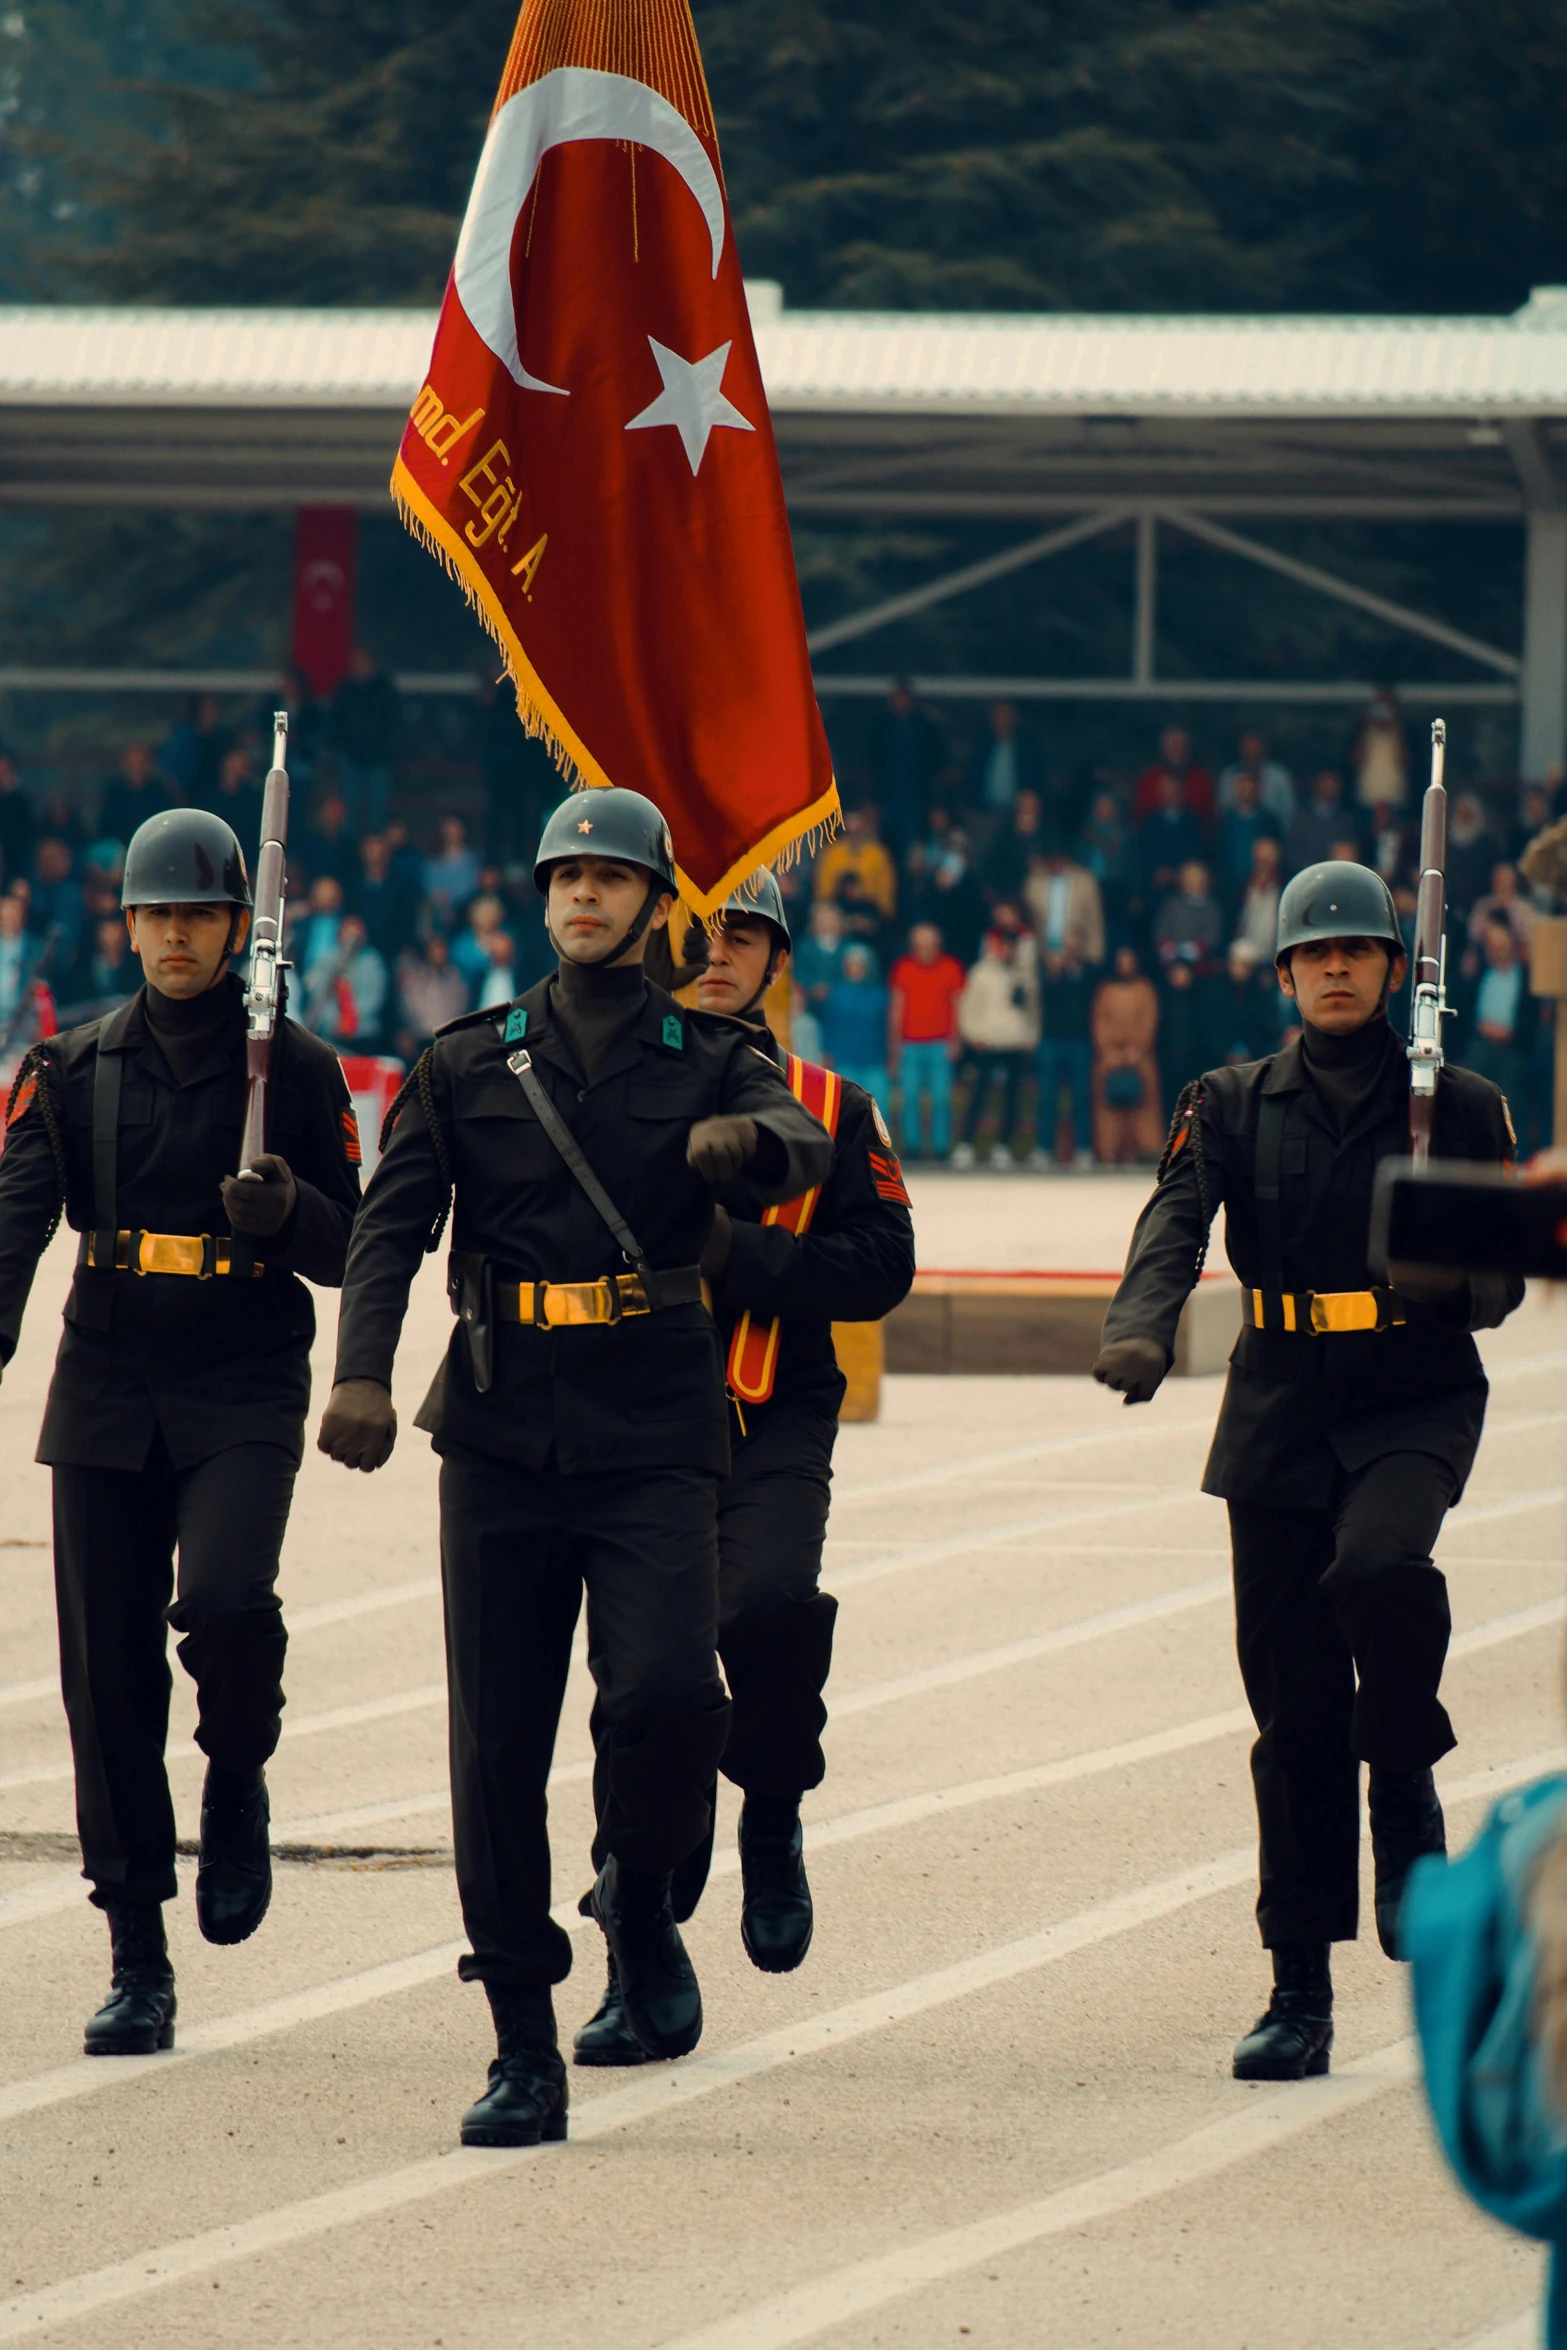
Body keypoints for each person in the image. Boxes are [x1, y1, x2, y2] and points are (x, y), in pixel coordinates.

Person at [315, 788, 832, 2148]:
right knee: (494, 1746)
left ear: (660, 902)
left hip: (655, 1419)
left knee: (665, 1693)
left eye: (613, 878)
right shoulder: (468, 1060)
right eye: (566, 877)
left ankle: (645, 1890)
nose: (586, 896)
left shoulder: (707, 1052)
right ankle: (520, 2040)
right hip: (496, 1428)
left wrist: (750, 1149)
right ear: (540, 898)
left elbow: (804, 1139)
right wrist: (361, 1368)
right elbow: (389, 1229)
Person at [1092, 861, 1524, 2082]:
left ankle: (1404, 1772)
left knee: (1382, 1567)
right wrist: (1142, 1324)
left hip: (1411, 1396)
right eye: (1312, 952)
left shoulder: (1461, 1102)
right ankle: (1298, 1989)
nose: (1334, 966)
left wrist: (1455, 1280)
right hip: (1277, 1406)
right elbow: (1173, 1219)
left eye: (1357, 950)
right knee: (1288, 1719)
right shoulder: (1231, 1101)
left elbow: (1499, 1283)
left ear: (1395, 968)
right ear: (1281, 973)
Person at [0, 808, 360, 2055]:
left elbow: (356, 1246)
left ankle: (237, 1770)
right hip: (105, 1381)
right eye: (152, 914)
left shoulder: (298, 1072)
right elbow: (14, 1230)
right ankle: (135, 1951)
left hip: (240, 1378)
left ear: (236, 927)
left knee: (220, 1604)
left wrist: (290, 1209)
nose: (171, 935)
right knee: (106, 1682)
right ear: (128, 923)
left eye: (196, 915)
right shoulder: (68, 1066)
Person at [572, 871, 914, 2064]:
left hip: (769, 1412)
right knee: (636, 1680)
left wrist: (743, 1257)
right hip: (622, 1415)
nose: (717, 951)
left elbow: (881, 1267)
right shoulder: (603, 1078)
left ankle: (770, 1803)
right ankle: (633, 1932)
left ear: (778, 958)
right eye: (699, 929)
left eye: (747, 934)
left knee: (766, 1606)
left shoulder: (829, 1103)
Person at [951, 920, 1039, 1170]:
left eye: (1013, 946)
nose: (1009, 951)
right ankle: (966, 1145)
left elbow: (1032, 1010)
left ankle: (1003, 1146)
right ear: (997, 946)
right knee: (979, 1095)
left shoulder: (1024, 975)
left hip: (1014, 1042)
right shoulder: (981, 973)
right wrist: (973, 1035)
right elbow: (968, 1007)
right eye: (1005, 945)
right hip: (987, 1042)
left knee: (1012, 1098)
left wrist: (1030, 1036)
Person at [888, 923, 966, 1160]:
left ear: (938, 945)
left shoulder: (951, 968)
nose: (925, 949)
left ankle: (941, 1147)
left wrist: (956, 1040)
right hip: (909, 1045)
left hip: (941, 1044)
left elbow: (958, 1007)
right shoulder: (903, 968)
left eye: (930, 944)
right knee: (909, 1097)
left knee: (941, 1098)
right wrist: (894, 1047)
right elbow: (896, 1010)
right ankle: (912, 1147)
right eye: (920, 945)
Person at [1091, 945, 1163, 1163]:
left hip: (1139, 1057)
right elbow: (1099, 1021)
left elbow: (1149, 1021)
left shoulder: (1145, 989)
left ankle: (1139, 1151)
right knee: (1108, 1107)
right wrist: (1109, 1051)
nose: (1125, 966)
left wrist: (1137, 1049)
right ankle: (1109, 1151)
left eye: (1129, 961)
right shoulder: (1105, 990)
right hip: (1109, 1058)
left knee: (1142, 1105)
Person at [1034, 942, 1096, 1169]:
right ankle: (1044, 1147)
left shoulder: (1086, 973)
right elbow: (1042, 999)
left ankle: (1083, 1148)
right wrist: (1054, 973)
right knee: (1048, 1097)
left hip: (1079, 1041)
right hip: (1051, 1040)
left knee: (1081, 1097)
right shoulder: (1049, 975)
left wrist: (1071, 969)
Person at [330, 646, 401, 834]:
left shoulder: (384, 689)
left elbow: (393, 722)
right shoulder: (346, 688)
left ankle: (375, 850)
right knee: (349, 813)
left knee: (377, 813)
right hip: (350, 759)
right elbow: (336, 720)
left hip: (378, 759)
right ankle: (350, 854)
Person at [818, 941, 891, 1108]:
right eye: (851, 963)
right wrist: (825, 1055)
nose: (855, 967)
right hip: (844, 1062)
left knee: (878, 1110)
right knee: (846, 1110)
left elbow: (886, 1028)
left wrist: (891, 1057)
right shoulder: (834, 994)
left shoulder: (880, 995)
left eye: (860, 963)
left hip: (875, 1063)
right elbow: (828, 1027)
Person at [1021, 832, 1106, 968]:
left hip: (1078, 956)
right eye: (1052, 860)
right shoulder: (1035, 882)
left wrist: (1094, 957)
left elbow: (1094, 922)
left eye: (1060, 859)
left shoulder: (1085, 881)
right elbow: (1028, 918)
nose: (1057, 864)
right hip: (1043, 958)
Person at [812, 803, 898, 924]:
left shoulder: (879, 854)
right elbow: (823, 895)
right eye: (850, 821)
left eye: (857, 820)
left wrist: (869, 918)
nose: (853, 827)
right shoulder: (831, 854)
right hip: (837, 914)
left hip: (870, 915)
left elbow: (886, 902)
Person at [1133, 724, 1216, 825]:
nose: (1176, 749)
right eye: (1171, 744)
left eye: (1180, 744)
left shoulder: (1203, 780)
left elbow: (1210, 819)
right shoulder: (1148, 781)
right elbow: (1139, 818)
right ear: (1162, 748)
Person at [99, 745, 174, 852]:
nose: (137, 768)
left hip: (152, 844)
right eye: (132, 763)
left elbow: (165, 824)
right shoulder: (114, 792)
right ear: (125, 765)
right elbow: (106, 827)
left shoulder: (159, 792)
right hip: (119, 847)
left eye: (141, 763)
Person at [1218, 729, 1295, 830]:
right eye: (1247, 747)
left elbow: (1288, 814)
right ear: (1240, 749)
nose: (1251, 751)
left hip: (1272, 836)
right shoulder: (1227, 777)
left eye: (1255, 746)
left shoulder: (1280, 776)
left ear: (1263, 748)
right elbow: (1223, 812)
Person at [1284, 770, 1351, 879]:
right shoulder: (1301, 818)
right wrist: (1311, 870)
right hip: (1305, 876)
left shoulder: (1345, 820)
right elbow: (1292, 851)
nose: (1329, 790)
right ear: (1316, 787)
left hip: (1337, 877)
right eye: (1325, 786)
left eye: (1332, 787)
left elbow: (1350, 852)